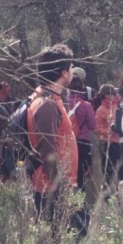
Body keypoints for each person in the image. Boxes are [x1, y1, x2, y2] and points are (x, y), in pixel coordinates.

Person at [26, 44, 79, 230]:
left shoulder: (46, 98)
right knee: (62, 243)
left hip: (57, 187)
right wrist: (62, 190)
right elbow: (47, 151)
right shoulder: (47, 104)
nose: (72, 72)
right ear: (64, 73)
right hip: (53, 190)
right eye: (71, 68)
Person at [67, 75, 96, 191]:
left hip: (66, 140)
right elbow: (92, 126)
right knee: (80, 171)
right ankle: (80, 200)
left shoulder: (62, 103)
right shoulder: (86, 106)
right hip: (82, 141)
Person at [93, 84, 121, 188]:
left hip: (119, 142)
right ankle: (108, 193)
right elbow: (96, 128)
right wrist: (107, 131)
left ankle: (120, 191)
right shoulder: (100, 110)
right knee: (108, 170)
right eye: (112, 94)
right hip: (107, 143)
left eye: (114, 94)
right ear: (105, 96)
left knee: (120, 169)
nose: (114, 96)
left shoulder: (116, 106)